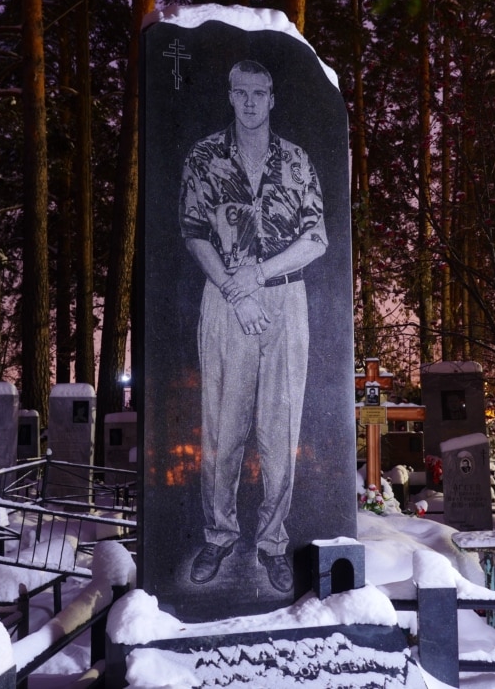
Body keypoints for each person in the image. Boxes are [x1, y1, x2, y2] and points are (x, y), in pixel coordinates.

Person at [179, 59, 327, 592]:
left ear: (272, 99)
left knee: (279, 427)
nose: (248, 103)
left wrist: (259, 277)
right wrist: (235, 292)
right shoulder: (204, 157)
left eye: (258, 93)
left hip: (286, 301)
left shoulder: (296, 161)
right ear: (229, 95)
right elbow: (195, 232)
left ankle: (271, 542)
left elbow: (317, 239)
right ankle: (219, 536)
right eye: (239, 92)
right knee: (222, 427)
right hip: (223, 302)